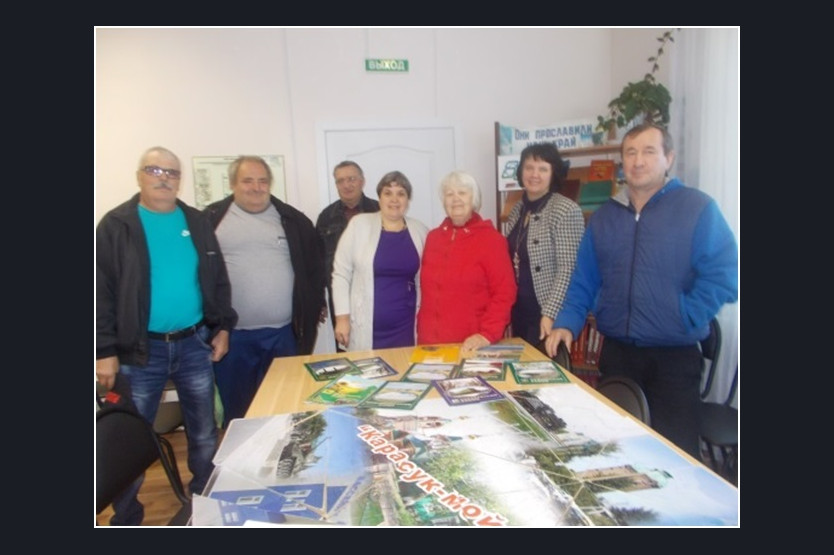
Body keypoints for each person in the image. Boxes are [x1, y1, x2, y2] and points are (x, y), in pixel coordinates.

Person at [545, 124, 738, 459]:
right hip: (618, 356)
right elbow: (583, 279)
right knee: (621, 454)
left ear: (668, 158)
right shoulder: (605, 217)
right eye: (630, 153)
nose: (638, 161)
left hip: (674, 357)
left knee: (675, 457)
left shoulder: (697, 208)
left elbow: (725, 274)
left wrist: (686, 314)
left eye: (649, 151)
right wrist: (566, 323)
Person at [96, 146, 238, 525]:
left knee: (203, 430)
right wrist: (103, 350)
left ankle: (202, 500)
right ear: (139, 175)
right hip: (140, 350)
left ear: (180, 180)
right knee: (130, 440)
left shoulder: (196, 221)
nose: (163, 178)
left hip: (194, 343)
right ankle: (127, 516)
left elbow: (217, 278)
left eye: (171, 172)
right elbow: (100, 292)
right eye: (155, 170)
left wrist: (223, 327)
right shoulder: (117, 225)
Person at [205, 156, 325, 426]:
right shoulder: (211, 220)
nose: (256, 187)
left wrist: (316, 304)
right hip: (232, 338)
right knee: (239, 413)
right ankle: (241, 453)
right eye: (247, 181)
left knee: (285, 408)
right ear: (233, 184)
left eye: (262, 181)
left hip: (283, 335)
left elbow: (314, 268)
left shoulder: (293, 220)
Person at [417, 171, 517, 351]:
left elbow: (505, 292)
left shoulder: (492, 240)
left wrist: (487, 334)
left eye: (462, 192)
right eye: (449, 194)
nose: (456, 199)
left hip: (471, 345)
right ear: (443, 201)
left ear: (474, 199)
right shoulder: (433, 238)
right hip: (429, 345)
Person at [331, 171, 429, 351]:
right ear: (379, 198)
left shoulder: (420, 230)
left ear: (408, 200)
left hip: (406, 325)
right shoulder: (359, 225)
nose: (394, 199)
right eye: (388, 193)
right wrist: (342, 318)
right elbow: (341, 274)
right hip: (366, 325)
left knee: (405, 366)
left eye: (401, 194)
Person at [505, 143, 584, 349]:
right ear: (521, 171)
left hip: (546, 312)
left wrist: (550, 313)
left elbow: (568, 268)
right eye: (529, 167)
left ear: (553, 173)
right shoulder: (517, 209)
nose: (534, 174)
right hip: (518, 310)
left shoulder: (565, 210)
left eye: (543, 169)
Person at [316, 161, 380, 350]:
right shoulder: (326, 217)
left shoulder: (379, 211)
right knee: (345, 351)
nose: (346, 185)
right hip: (339, 297)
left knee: (378, 348)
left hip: (375, 294)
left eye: (351, 179)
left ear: (362, 181)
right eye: (340, 181)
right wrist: (319, 300)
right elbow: (317, 262)